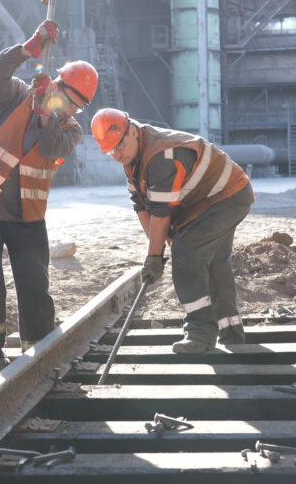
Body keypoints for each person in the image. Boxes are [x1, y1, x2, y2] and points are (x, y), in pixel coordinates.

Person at [0, 19, 98, 373]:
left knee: (34, 284)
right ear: (56, 84)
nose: (70, 109)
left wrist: (46, 115)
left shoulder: (70, 129)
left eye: (76, 106)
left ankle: (37, 348)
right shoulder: (15, 96)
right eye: (68, 100)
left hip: (28, 215)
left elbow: (53, 146)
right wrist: (28, 48)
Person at [91, 108, 254, 354]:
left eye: (119, 146)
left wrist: (155, 256)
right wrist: (155, 251)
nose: (117, 155)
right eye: (111, 151)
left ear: (132, 131)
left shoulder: (161, 155)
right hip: (207, 202)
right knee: (214, 263)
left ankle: (200, 333)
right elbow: (141, 206)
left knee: (186, 254)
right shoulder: (133, 158)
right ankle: (231, 332)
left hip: (226, 197)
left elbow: (160, 213)